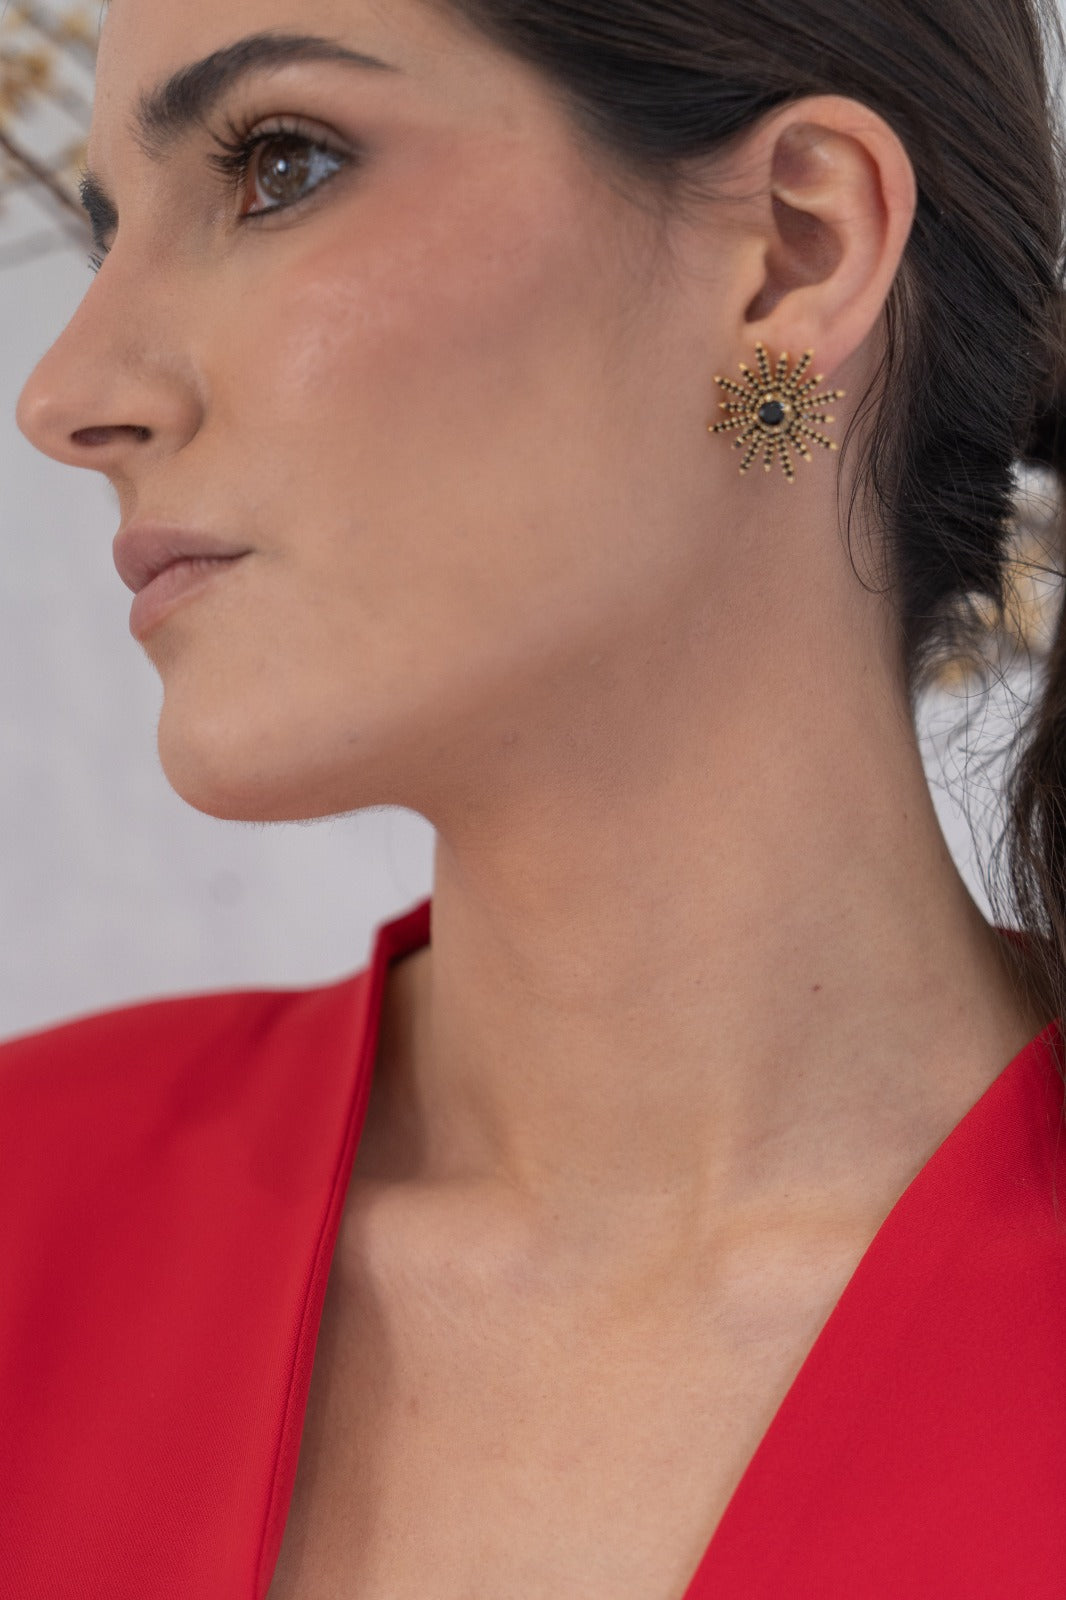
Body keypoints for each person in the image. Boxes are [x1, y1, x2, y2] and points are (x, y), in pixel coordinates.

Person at [4, 0, 1066, 1594]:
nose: (68, 396)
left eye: (278, 165)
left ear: (791, 252)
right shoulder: (29, 1212)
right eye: (106, 238)